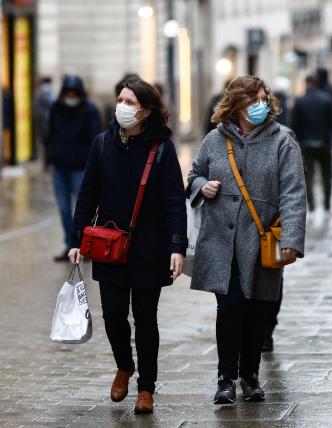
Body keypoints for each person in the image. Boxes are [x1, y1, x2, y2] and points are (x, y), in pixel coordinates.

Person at [68, 76, 187, 414]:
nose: (123, 106)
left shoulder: (161, 148)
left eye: (131, 102)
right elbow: (87, 195)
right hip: (109, 245)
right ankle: (124, 364)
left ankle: (146, 388)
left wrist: (177, 245)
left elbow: (174, 199)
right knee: (114, 317)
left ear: (146, 111)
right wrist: (77, 239)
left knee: (146, 318)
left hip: (151, 247)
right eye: (121, 99)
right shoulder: (103, 144)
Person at [187, 76, 306, 405]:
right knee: (230, 306)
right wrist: (202, 187)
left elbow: (294, 193)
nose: (262, 104)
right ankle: (226, 377)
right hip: (221, 242)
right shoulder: (214, 140)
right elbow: (194, 174)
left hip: (263, 240)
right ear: (238, 104)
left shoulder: (283, 141)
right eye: (255, 99)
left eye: (264, 98)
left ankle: (250, 375)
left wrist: (292, 239)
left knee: (259, 309)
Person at [48, 75, 101, 262]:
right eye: (67, 93)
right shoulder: (55, 108)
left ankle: (83, 245)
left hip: (81, 168)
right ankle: (71, 244)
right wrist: (50, 158)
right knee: (63, 209)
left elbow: (96, 140)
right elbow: (50, 133)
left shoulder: (91, 110)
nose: (71, 97)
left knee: (82, 209)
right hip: (60, 167)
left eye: (74, 93)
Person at [291, 74, 332, 212]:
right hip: (325, 143)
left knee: (309, 176)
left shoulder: (300, 101)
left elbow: (294, 125)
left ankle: (311, 204)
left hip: (306, 144)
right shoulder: (328, 100)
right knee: (327, 175)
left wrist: (295, 143)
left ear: (306, 84)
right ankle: (327, 203)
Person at [33, 76, 54, 167]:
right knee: (48, 143)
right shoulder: (46, 91)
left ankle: (47, 162)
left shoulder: (39, 91)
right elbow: (52, 104)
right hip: (46, 122)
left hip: (41, 121)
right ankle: (48, 162)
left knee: (45, 143)